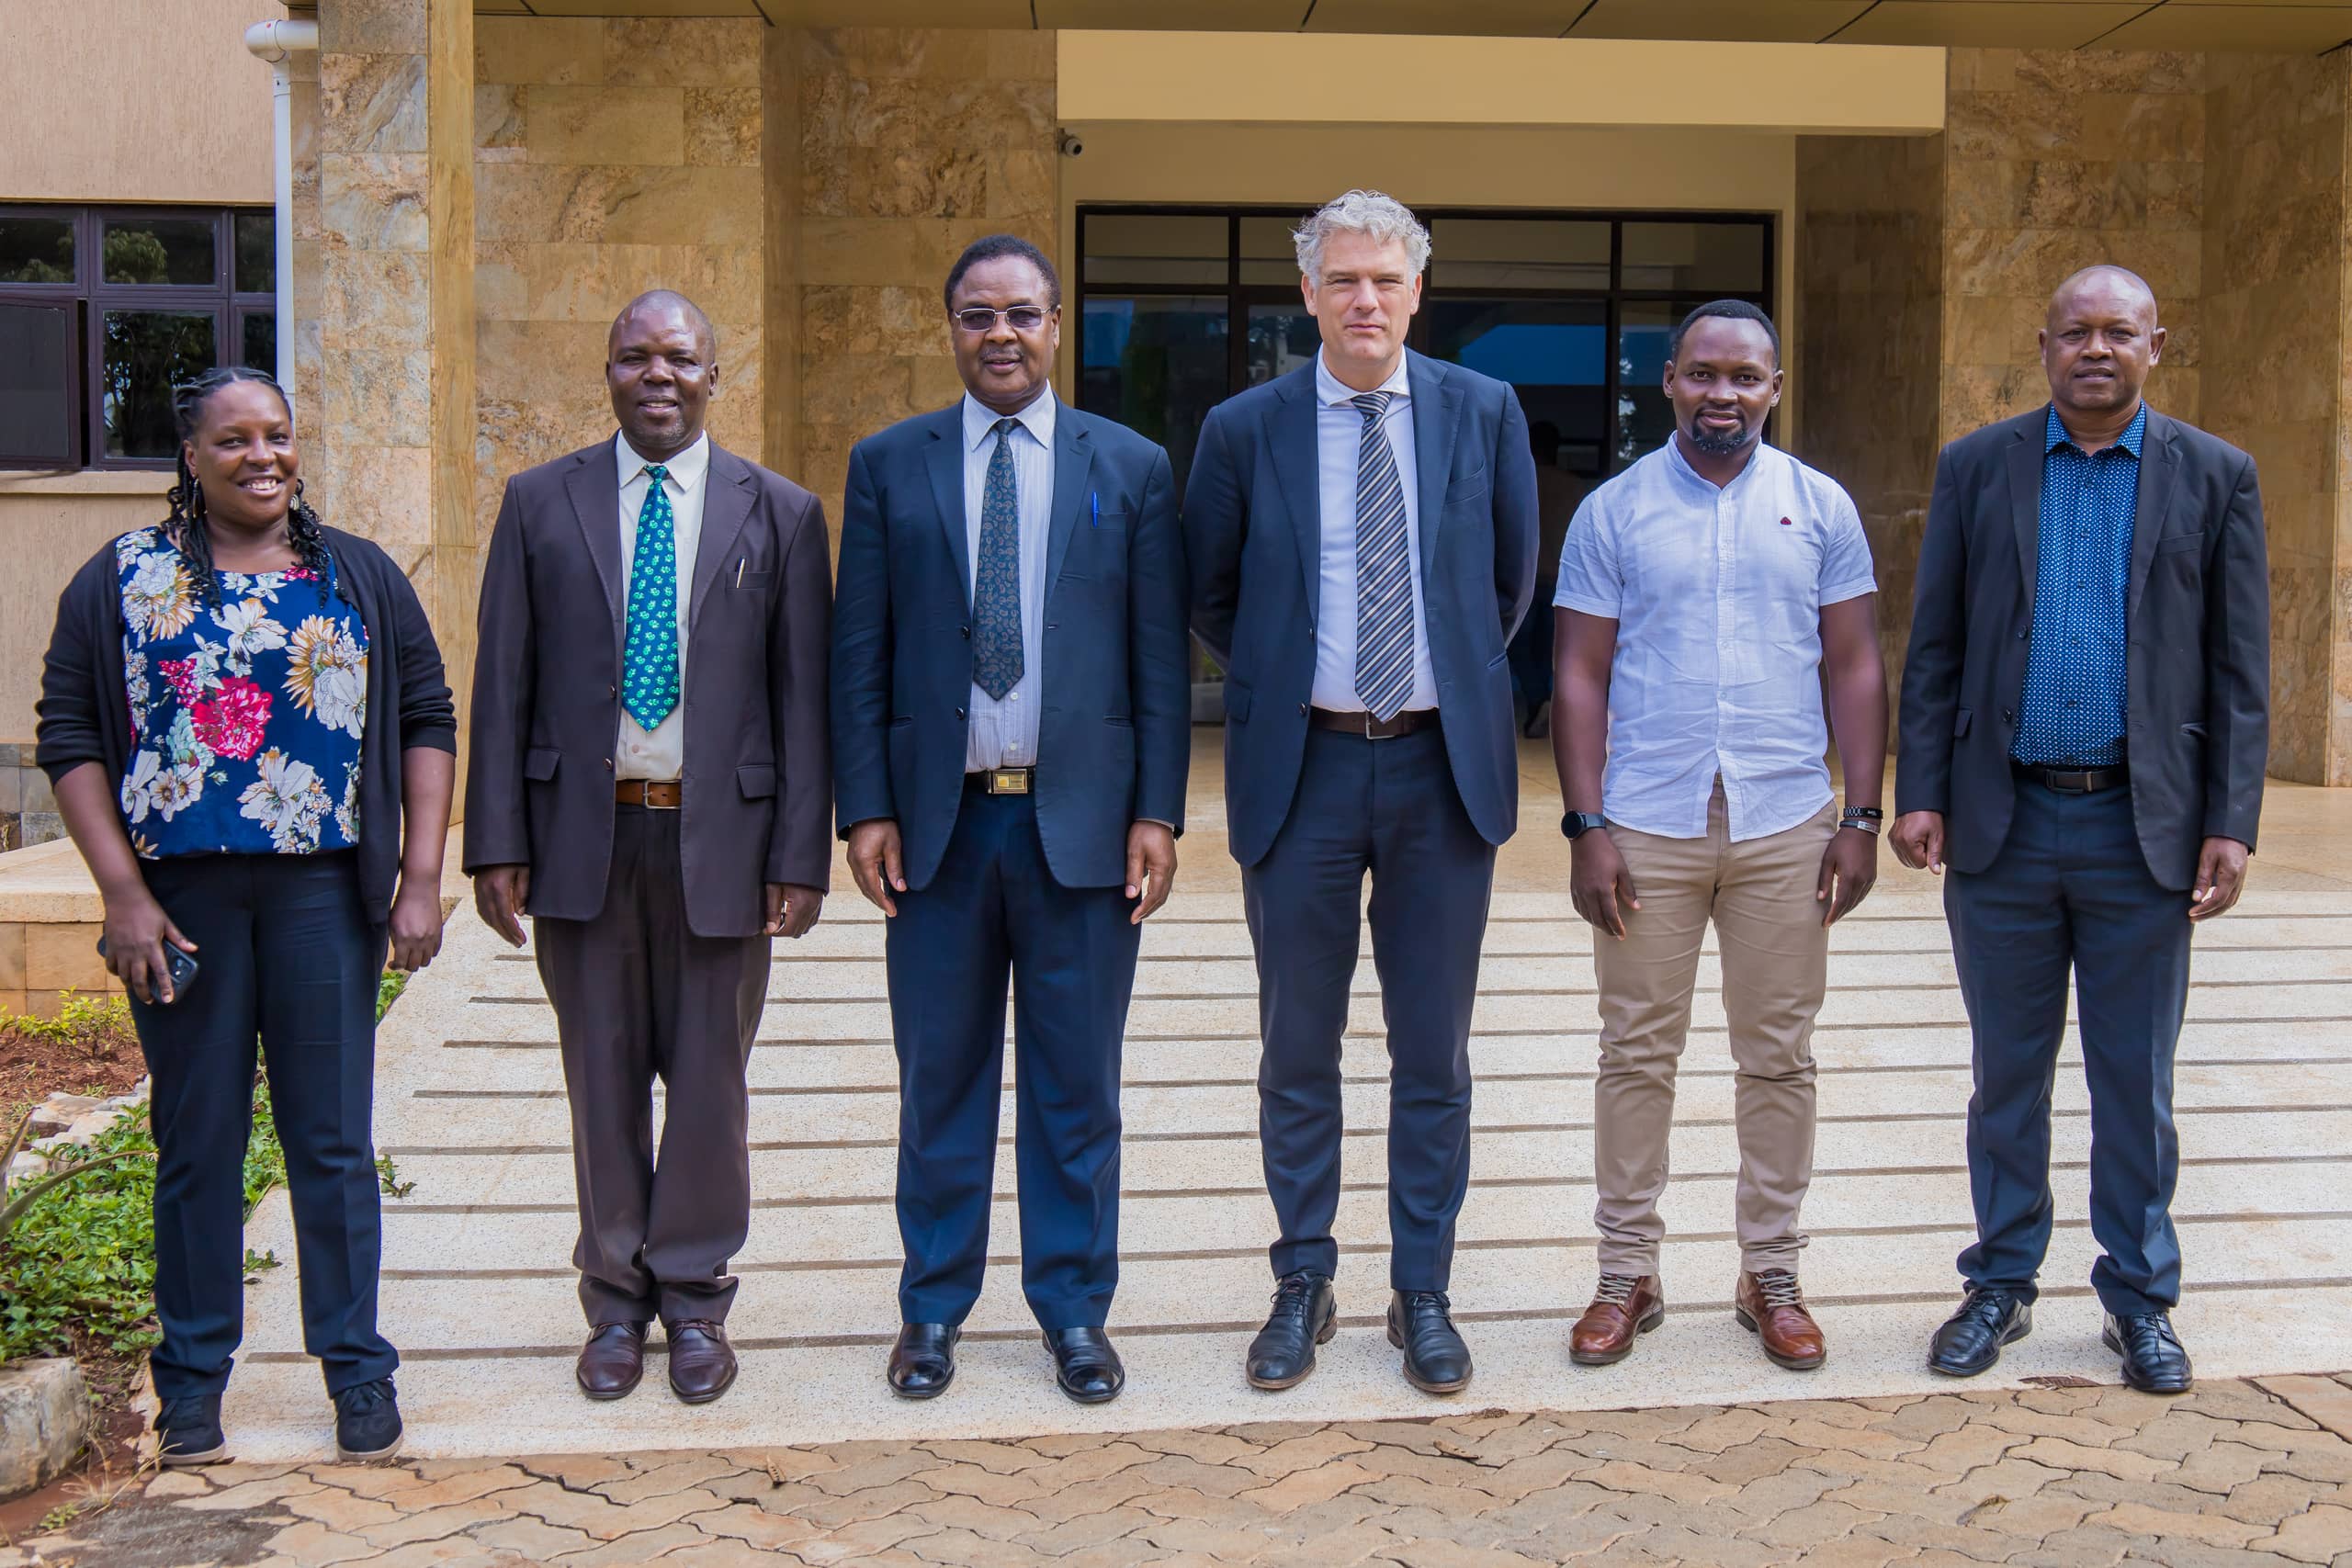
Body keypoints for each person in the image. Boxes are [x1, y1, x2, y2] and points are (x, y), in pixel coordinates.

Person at [37, 366, 455, 1465]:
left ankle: (357, 1369)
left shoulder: (355, 574)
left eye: (276, 435)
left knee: (331, 1141)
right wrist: (122, 894)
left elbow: (425, 715)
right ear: (190, 456)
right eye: (233, 440)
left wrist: (417, 877)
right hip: (180, 906)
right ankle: (192, 1382)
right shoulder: (124, 578)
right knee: (198, 1140)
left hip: (324, 896)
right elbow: (70, 733)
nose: (261, 456)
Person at [1184, 190, 1538, 1396]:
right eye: (1343, 280)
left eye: (1385, 279)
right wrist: (1297, 675)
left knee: (1432, 1049)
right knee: (1299, 1042)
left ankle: (1422, 1288)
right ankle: (1304, 1276)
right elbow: (1212, 589)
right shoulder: (1244, 428)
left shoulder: (1483, 411)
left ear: (1417, 291)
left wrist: (1427, 679)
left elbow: (1505, 584)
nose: (1366, 300)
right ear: (1309, 294)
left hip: (1442, 772)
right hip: (1307, 768)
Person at [1894, 265, 2268, 1395]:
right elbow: (1936, 643)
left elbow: (2241, 670)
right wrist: (1921, 790)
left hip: (2140, 832)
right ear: (2043, 344)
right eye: (2074, 332)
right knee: (2005, 1077)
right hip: (2002, 826)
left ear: (2159, 342)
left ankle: (2140, 1298)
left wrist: (2230, 822)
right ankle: (2000, 1281)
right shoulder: (1978, 467)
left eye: (2118, 331)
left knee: (2131, 1083)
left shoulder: (2215, 475)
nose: (2094, 348)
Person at [831, 234, 1189, 1405]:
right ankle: (930, 1312)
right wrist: (866, 807)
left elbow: (1156, 659)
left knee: (1076, 1089)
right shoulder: (889, 464)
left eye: (1021, 315)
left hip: (1079, 835)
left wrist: (1158, 812)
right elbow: (862, 653)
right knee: (939, 1082)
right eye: (977, 314)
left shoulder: (1129, 467)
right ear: (950, 328)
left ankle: (1075, 1313)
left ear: (1054, 325)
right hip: (938, 835)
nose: (1000, 334)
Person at [467, 290, 833, 1406]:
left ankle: (695, 1301)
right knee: (602, 1079)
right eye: (636, 357)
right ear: (608, 372)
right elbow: (502, 678)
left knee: (712, 1089)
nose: (657, 375)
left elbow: (801, 701)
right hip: (586, 837)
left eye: (680, 357)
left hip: (722, 840)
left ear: (716, 375)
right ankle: (615, 1306)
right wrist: (494, 842)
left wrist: (799, 855)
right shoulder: (539, 503)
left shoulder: (779, 511)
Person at [1553, 300, 1885, 1373]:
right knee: (1634, 1052)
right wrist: (1586, 821)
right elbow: (1579, 673)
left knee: (1777, 1055)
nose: (1722, 394)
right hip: (1646, 820)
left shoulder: (1820, 506)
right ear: (1668, 382)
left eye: (1744, 376)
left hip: (1786, 817)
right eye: (1702, 374)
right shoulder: (1613, 511)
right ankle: (1625, 1271)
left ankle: (1771, 1271)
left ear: (1774, 389)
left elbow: (1853, 664)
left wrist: (1862, 815)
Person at [1506, 419, 1583, 738]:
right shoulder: (1574, 487)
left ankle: (1540, 699)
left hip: (1525, 581)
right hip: (1561, 581)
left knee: (1517, 647)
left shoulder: (1518, 482)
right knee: (1549, 650)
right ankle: (1546, 700)